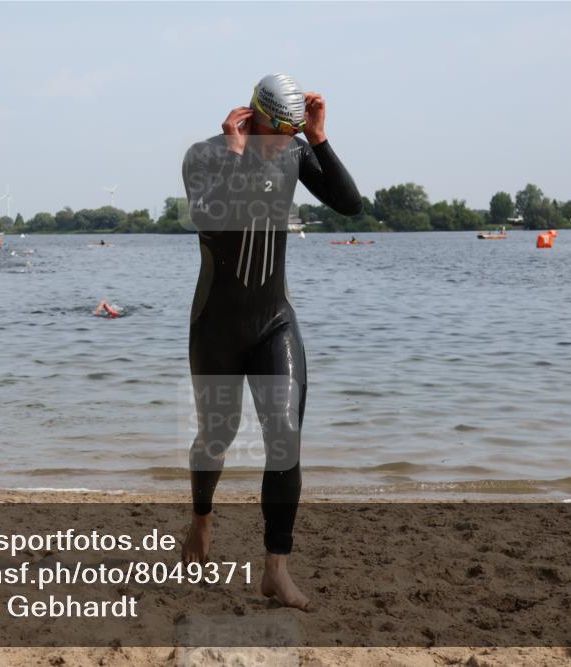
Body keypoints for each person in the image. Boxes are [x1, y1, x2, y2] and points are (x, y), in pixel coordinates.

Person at [181, 73, 361, 610]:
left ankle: (275, 570)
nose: (285, 142)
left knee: (285, 435)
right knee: (218, 434)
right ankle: (201, 520)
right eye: (277, 131)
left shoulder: (295, 153)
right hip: (216, 325)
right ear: (251, 116)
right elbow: (208, 218)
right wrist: (238, 156)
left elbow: (350, 204)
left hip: (273, 323)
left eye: (293, 133)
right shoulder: (206, 155)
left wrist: (321, 140)